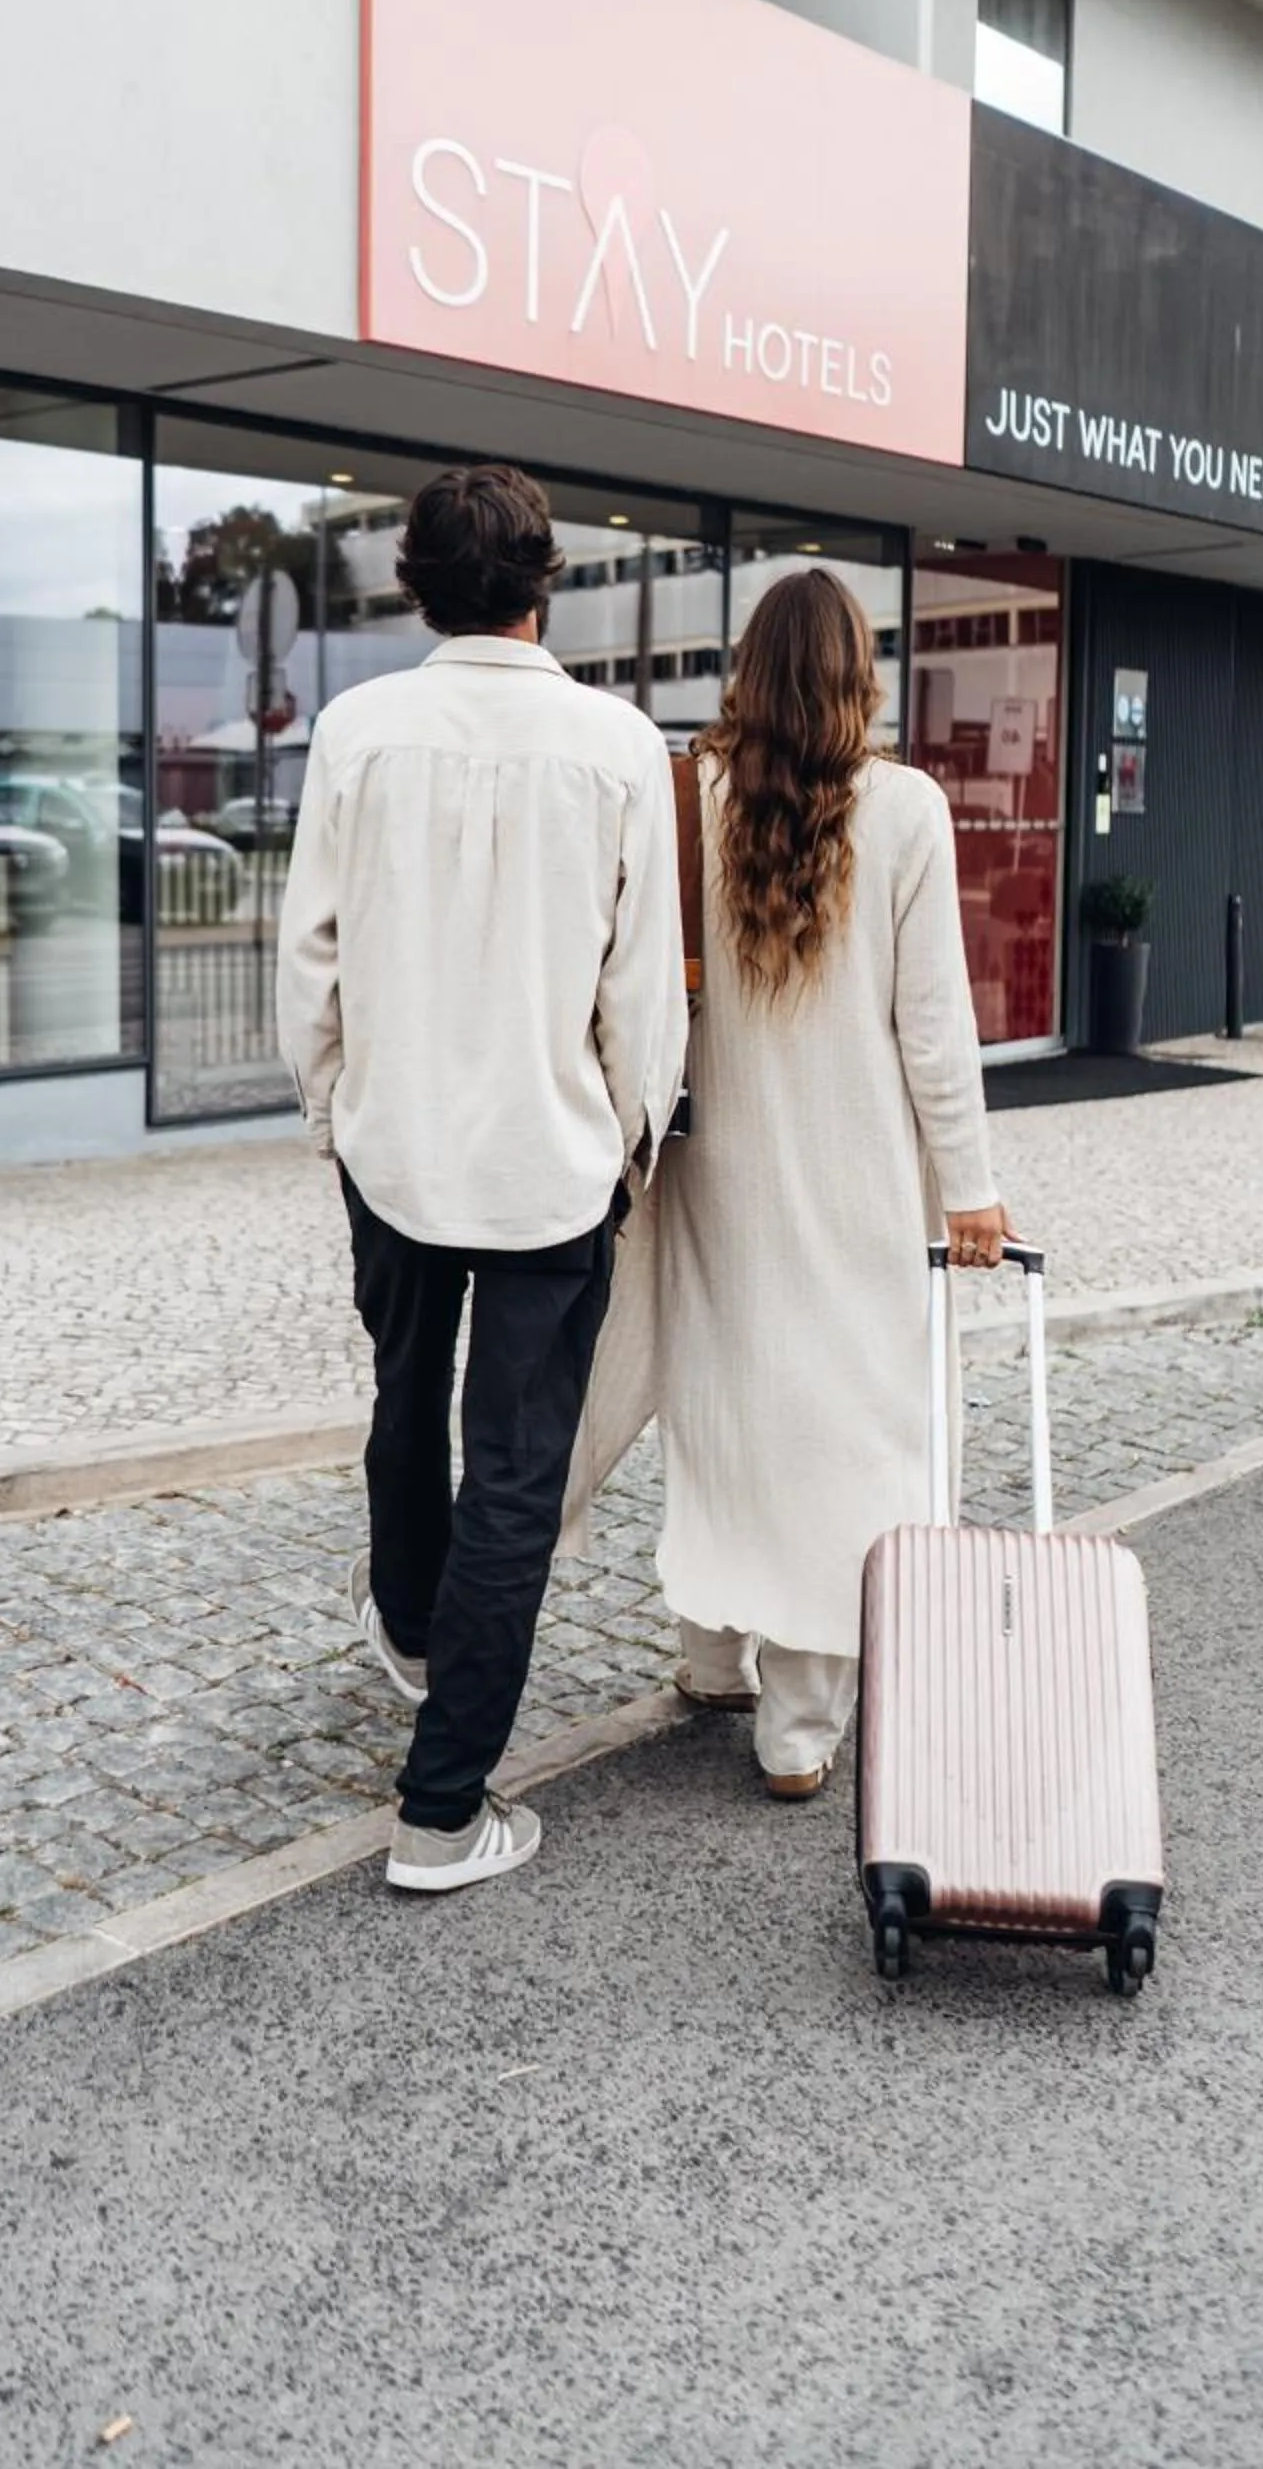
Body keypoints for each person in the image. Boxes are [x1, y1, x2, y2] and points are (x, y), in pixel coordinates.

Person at [277, 463, 689, 1894]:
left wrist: (331, 1102)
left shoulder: (357, 731)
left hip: (393, 1144)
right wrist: (637, 1132)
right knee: (515, 1466)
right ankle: (444, 1809)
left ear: (415, 584)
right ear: (544, 581)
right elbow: (641, 986)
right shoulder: (617, 744)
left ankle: (406, 1623)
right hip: (553, 1157)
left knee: (405, 1390)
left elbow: (308, 953)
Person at [570, 566, 1015, 1797]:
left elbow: (637, 991)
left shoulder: (681, 798)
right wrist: (970, 1187)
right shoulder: (907, 809)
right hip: (862, 1177)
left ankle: (712, 1655)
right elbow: (933, 1027)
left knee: (721, 1405)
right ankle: (799, 1729)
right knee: (851, 1432)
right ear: (853, 678)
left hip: (717, 1173)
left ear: (746, 673)